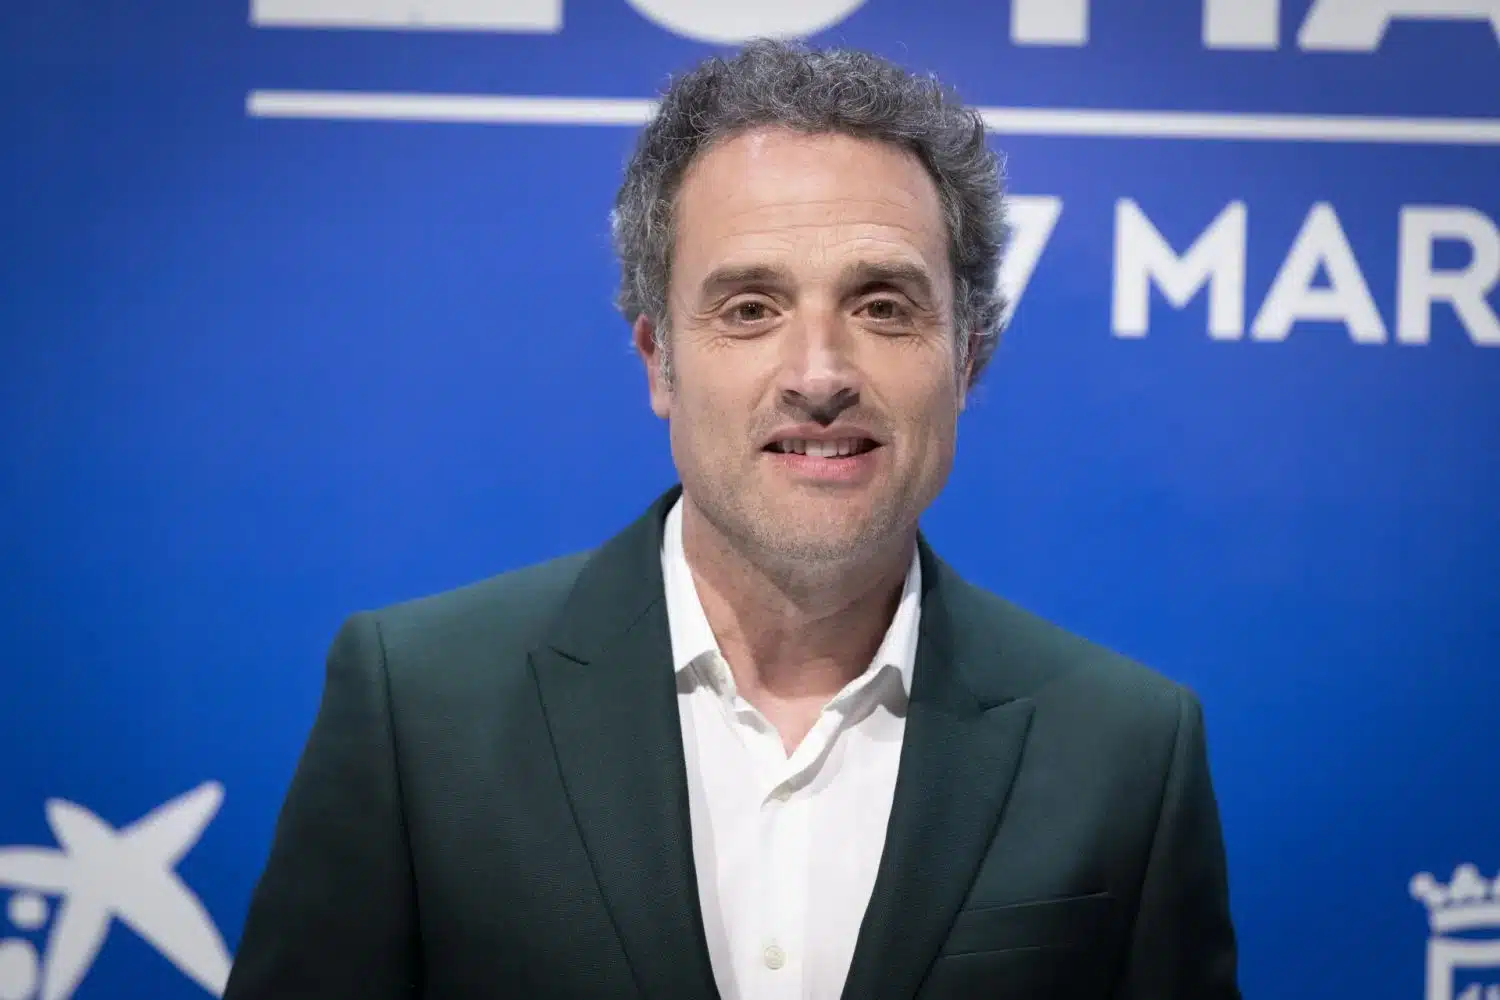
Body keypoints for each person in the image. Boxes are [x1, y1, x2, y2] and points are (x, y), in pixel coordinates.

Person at [222, 39, 1240, 1000]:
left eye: (883, 306)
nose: (820, 375)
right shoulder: (418, 707)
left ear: (966, 359)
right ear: (657, 361)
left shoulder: (1127, 750)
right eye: (751, 308)